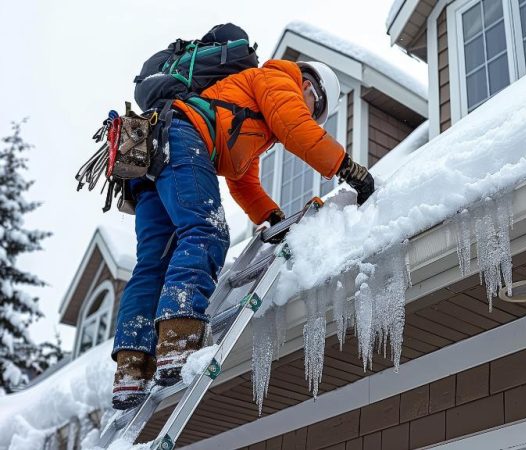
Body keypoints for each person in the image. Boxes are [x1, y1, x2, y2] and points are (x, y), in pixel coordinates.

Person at [110, 58, 374, 410]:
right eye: (316, 110)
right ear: (310, 88)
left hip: (153, 152)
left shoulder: (247, 117)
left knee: (154, 263)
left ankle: (132, 367)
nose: (310, 115)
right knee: (206, 232)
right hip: (180, 135)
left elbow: (243, 181)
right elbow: (296, 126)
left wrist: (273, 218)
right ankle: (177, 343)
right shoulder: (278, 79)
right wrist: (347, 168)